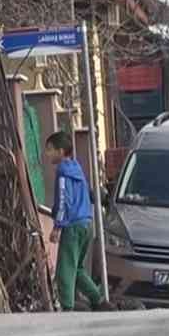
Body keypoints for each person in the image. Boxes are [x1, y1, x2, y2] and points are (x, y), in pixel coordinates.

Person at [45, 131, 112, 312]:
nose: (47, 154)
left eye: (50, 150)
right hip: (87, 223)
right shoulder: (77, 168)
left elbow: (64, 199)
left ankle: (67, 309)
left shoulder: (63, 171)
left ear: (60, 151)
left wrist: (57, 226)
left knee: (64, 270)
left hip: (72, 226)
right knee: (78, 269)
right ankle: (98, 300)